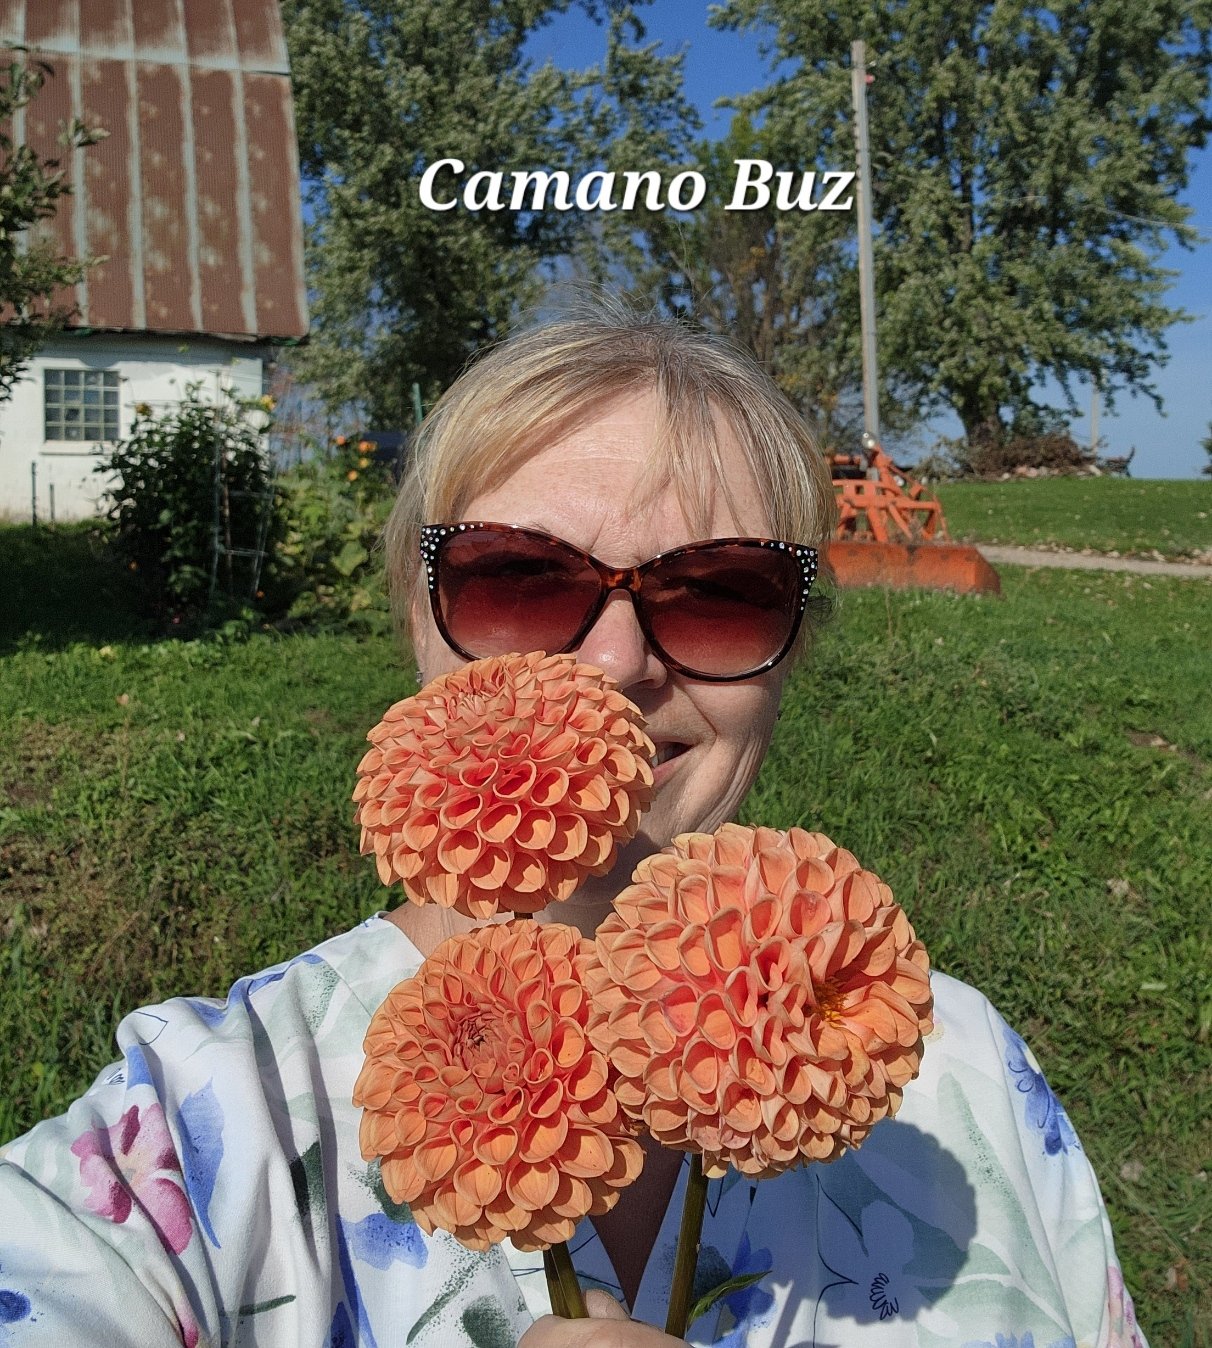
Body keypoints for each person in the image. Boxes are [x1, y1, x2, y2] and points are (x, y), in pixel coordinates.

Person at [0, 307, 1145, 1348]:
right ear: (416, 615)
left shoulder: (958, 1075)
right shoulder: (193, 1141)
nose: (614, 663)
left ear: (790, 650)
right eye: (518, 579)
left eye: (721, 590)